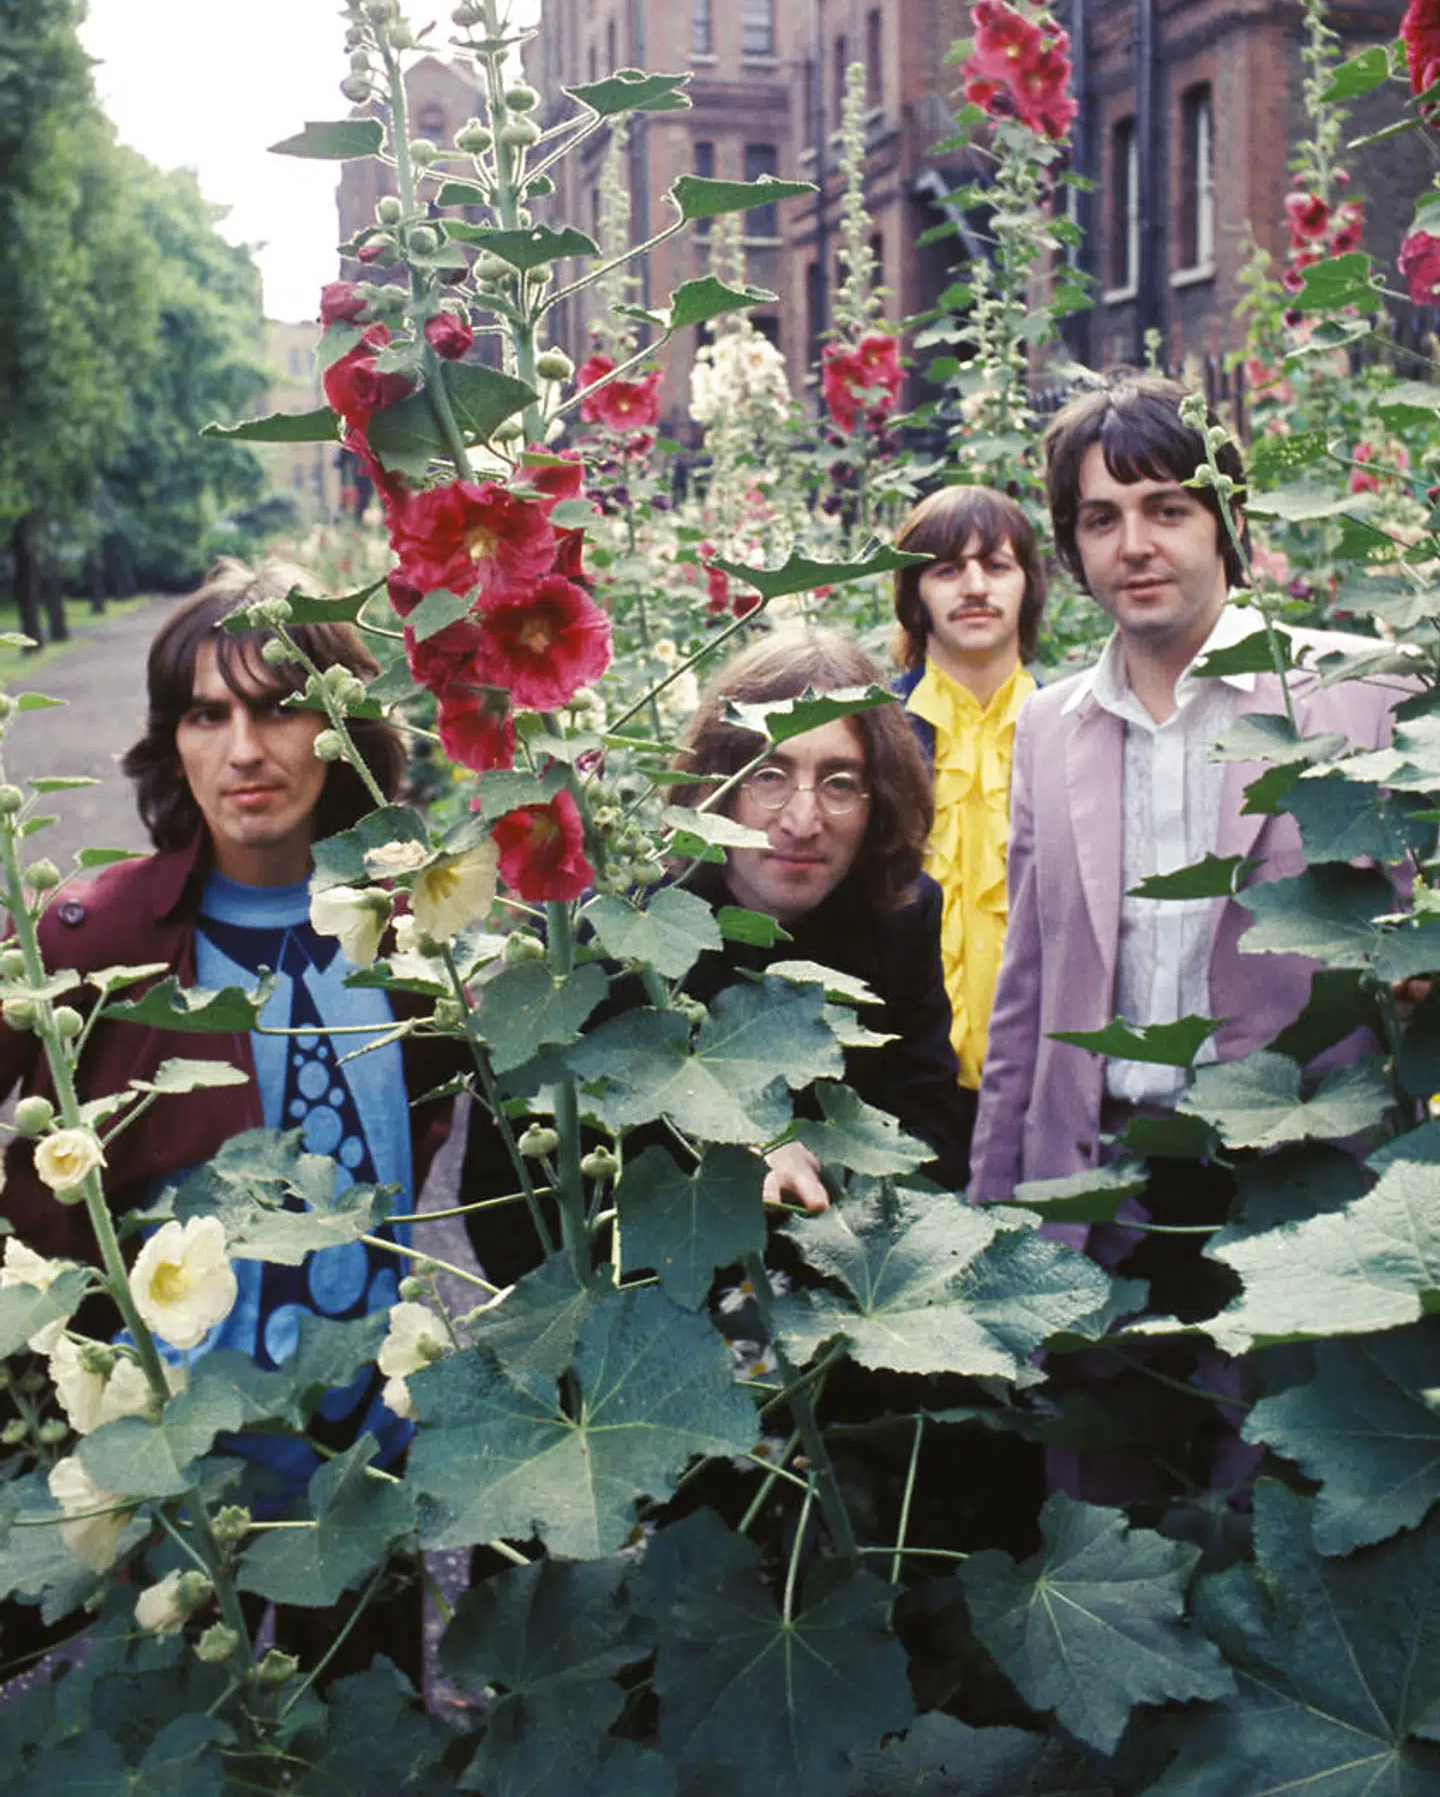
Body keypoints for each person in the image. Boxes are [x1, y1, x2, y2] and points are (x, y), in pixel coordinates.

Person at [0, 559, 459, 1677]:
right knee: (179, 1723)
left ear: (339, 728)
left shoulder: (416, 930)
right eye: (208, 714)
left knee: (361, 1720)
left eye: (280, 706)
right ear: (173, 743)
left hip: (365, 1454)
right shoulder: (96, 934)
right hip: (173, 1457)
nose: (244, 750)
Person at [967, 376, 1401, 1259]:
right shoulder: (1049, 728)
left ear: (1228, 522)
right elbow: (1027, 989)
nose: (1135, 545)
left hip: (1309, 1187)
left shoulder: (1362, 695)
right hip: (1102, 1191)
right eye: (1101, 519)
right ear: (1072, 546)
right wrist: (988, 1219)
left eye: (1167, 509)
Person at [460, 627, 974, 1283]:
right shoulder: (613, 934)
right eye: (769, 776)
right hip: (647, 1301)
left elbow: (930, 1134)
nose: (802, 820)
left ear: (882, 799)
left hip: (837, 1292)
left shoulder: (900, 915)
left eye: (840, 783)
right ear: (714, 783)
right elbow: (506, 1196)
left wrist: (821, 1171)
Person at [891, 484, 1046, 1092]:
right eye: (948, 569)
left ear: (1029, 585)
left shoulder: (1080, 730)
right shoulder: (873, 735)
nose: (975, 587)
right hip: (902, 1083)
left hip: (1048, 1073)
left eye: (997, 565)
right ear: (914, 595)